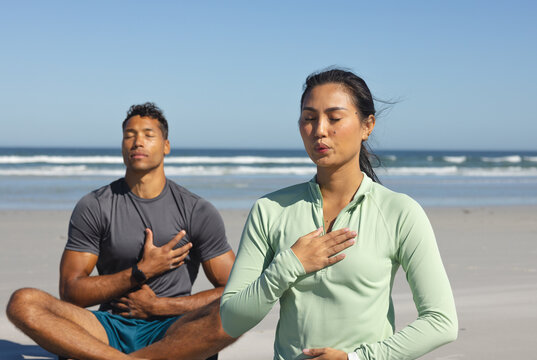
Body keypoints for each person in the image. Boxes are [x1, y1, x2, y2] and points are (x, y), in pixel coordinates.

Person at [220, 69, 458, 359]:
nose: (319, 129)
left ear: (367, 125)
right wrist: (290, 264)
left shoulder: (400, 212)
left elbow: (441, 321)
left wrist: (357, 358)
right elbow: (232, 319)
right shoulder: (270, 210)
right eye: (309, 118)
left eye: (334, 118)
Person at [6, 102, 236, 360]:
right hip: (108, 328)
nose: (138, 142)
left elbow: (235, 290)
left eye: (148, 135)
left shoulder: (196, 210)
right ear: (123, 145)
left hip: (173, 328)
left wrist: (160, 306)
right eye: (130, 135)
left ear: (166, 146)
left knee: (234, 311)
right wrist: (141, 271)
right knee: (24, 302)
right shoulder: (95, 206)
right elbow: (71, 292)